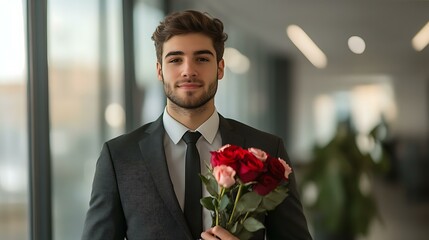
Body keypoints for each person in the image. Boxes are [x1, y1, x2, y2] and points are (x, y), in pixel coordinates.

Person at [82, 10, 312, 240]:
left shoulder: (267, 150)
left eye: (202, 59)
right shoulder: (119, 156)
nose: (188, 71)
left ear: (220, 68)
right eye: (175, 60)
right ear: (159, 71)